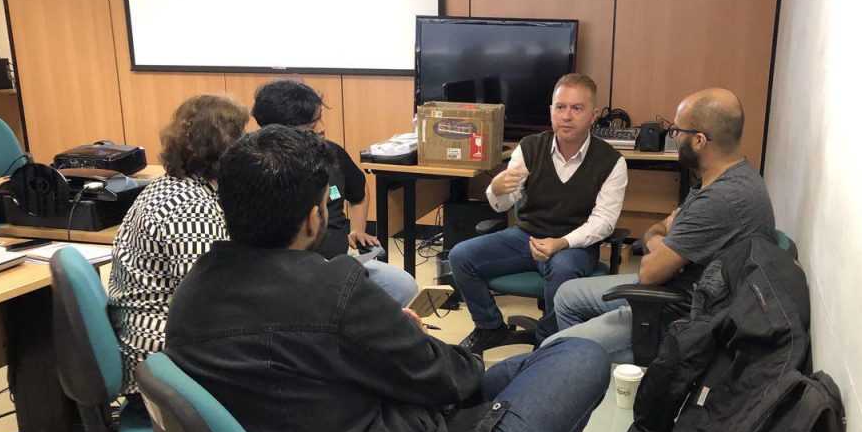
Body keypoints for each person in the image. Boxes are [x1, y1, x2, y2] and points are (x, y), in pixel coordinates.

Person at [162, 125, 617, 432]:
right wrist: (411, 339)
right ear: (314, 218)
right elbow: (455, 379)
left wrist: (389, 341)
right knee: (580, 356)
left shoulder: (190, 298)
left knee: (525, 367)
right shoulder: (331, 290)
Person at [545, 88, 776, 362]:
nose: (673, 137)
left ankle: (574, 360)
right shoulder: (724, 175)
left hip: (677, 313)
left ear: (699, 141)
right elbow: (662, 229)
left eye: (677, 130)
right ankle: (583, 367)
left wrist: (659, 243)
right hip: (674, 285)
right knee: (566, 295)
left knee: (552, 347)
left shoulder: (721, 199)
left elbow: (649, 272)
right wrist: (660, 241)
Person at [448, 73, 628, 351]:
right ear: (551, 110)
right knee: (460, 256)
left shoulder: (612, 161)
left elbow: (603, 222)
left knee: (563, 269)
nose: (566, 116)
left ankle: (548, 342)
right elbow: (505, 202)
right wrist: (496, 189)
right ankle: (489, 327)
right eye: (560, 107)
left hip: (574, 245)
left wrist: (561, 243)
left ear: (593, 115)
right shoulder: (530, 147)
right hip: (525, 238)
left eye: (577, 108)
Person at [108, 94, 248, 395]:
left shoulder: (172, 185)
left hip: (154, 341)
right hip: (161, 358)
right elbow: (207, 304)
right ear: (228, 146)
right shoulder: (190, 208)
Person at [251, 79, 418, 306]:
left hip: (339, 262)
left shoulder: (332, 153)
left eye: (320, 118)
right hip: (292, 271)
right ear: (283, 131)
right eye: (312, 124)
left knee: (402, 285)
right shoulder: (263, 170)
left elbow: (359, 192)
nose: (321, 128)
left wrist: (357, 230)